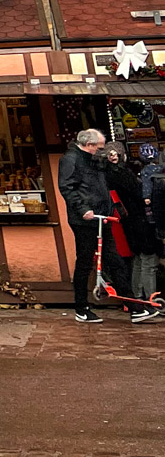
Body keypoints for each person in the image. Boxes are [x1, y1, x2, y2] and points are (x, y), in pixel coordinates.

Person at [59, 127, 152, 323]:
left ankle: (133, 306)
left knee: (115, 260)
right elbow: (67, 187)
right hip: (84, 220)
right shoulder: (71, 159)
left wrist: (115, 163)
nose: (102, 151)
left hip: (103, 216)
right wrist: (83, 209)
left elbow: (108, 181)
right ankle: (81, 307)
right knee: (85, 262)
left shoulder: (95, 160)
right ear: (89, 145)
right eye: (100, 148)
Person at [102, 143, 161, 313]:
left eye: (116, 153)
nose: (114, 156)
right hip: (140, 220)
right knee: (148, 259)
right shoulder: (122, 173)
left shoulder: (108, 174)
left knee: (139, 258)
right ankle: (151, 299)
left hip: (129, 222)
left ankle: (136, 298)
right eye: (111, 154)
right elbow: (140, 195)